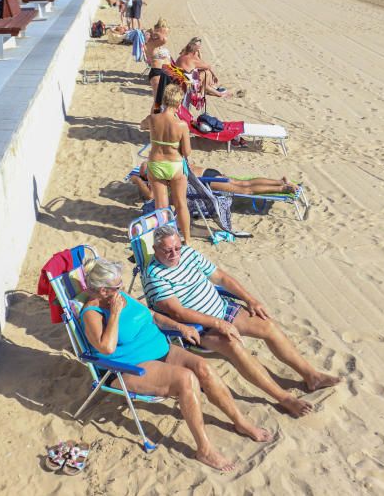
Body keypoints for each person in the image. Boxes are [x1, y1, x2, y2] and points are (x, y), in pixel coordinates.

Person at [80, 257, 272, 471]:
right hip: (130, 368)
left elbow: (151, 315)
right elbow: (106, 348)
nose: (122, 288)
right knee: (185, 379)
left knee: (203, 367)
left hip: (162, 349)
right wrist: (115, 314)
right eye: (117, 286)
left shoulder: (119, 295)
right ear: (102, 290)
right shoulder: (92, 312)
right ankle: (204, 450)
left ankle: (240, 421)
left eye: (121, 283)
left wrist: (180, 327)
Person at [143, 226, 341, 418]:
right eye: (167, 250)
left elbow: (221, 277)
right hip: (200, 328)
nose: (174, 253)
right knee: (235, 348)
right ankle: (284, 398)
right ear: (155, 249)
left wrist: (249, 299)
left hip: (222, 308)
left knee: (267, 326)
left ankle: (311, 376)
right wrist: (219, 324)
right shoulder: (154, 275)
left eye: (177, 247)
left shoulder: (189, 253)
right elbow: (178, 312)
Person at [140, 84, 192, 245]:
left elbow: (142, 125)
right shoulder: (181, 125)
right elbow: (187, 151)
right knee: (181, 204)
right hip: (175, 165)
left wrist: (154, 111)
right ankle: (187, 240)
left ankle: (164, 240)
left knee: (161, 206)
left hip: (156, 164)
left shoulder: (153, 118)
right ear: (179, 103)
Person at [130, 161, 299, 200]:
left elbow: (151, 196)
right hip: (207, 171)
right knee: (243, 182)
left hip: (206, 180)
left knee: (246, 189)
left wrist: (137, 181)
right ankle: (279, 181)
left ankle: (284, 189)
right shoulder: (166, 161)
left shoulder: (154, 174)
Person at [143, 18, 172, 107]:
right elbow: (164, 40)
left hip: (165, 73)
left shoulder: (157, 44)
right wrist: (157, 32)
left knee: (163, 101)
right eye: (163, 33)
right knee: (157, 102)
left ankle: (157, 119)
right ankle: (153, 120)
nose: (165, 35)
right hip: (157, 73)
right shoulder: (151, 43)